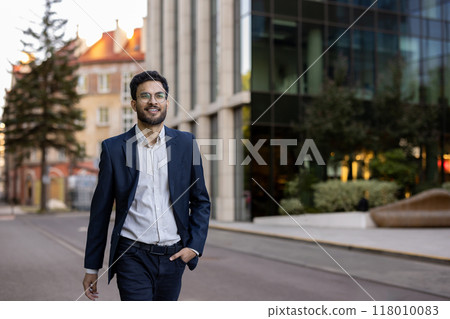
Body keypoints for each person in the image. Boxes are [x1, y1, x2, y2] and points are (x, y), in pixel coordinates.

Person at [82, 70, 210, 301]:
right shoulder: (114, 149)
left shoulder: (185, 143)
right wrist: (92, 267)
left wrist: (194, 247)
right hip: (132, 256)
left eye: (159, 95)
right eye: (145, 96)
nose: (153, 101)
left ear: (167, 103)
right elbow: (100, 212)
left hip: (174, 257)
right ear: (133, 103)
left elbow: (201, 200)